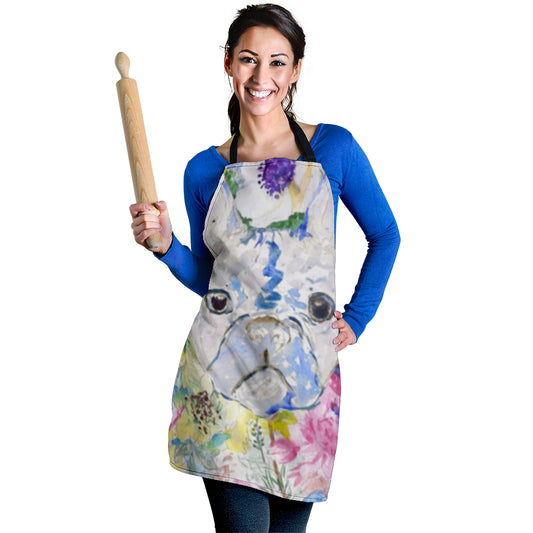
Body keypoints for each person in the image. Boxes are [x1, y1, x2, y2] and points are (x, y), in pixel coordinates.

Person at [129, 4, 400, 532]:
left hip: (304, 380)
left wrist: (357, 319)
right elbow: (214, 282)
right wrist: (166, 247)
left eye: (277, 62)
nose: (261, 76)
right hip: (223, 374)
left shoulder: (334, 149)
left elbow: (385, 235)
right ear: (228, 63)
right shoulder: (204, 170)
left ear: (295, 70)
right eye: (249, 59)